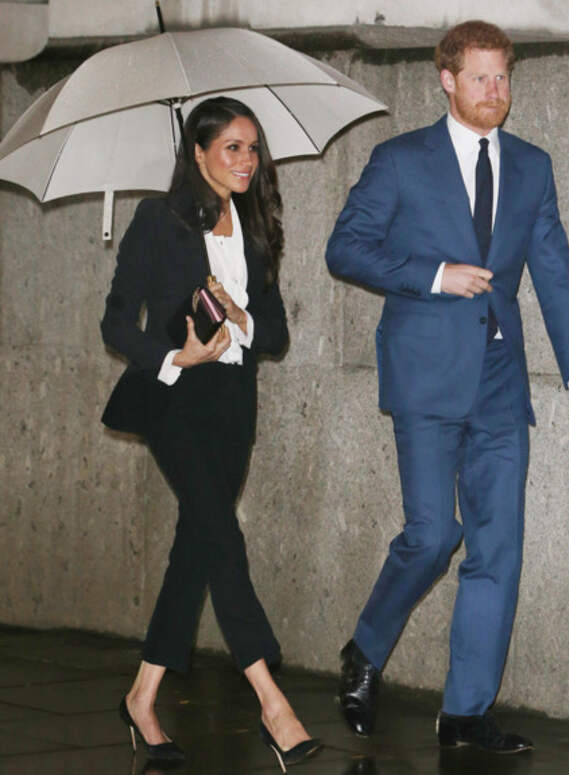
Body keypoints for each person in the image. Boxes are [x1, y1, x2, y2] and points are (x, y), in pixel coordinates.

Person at [326, 20, 569, 753]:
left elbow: (555, 273)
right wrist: (433, 275)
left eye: (503, 77)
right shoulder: (401, 160)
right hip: (424, 371)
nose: (495, 92)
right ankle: (365, 650)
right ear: (446, 80)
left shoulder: (533, 167)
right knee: (433, 533)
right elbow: (344, 246)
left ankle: (466, 712)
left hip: (501, 376)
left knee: (497, 546)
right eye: (480, 78)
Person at [101, 96, 322, 770]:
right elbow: (115, 324)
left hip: (233, 401)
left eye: (253, 148)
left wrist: (240, 316)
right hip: (176, 396)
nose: (247, 160)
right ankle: (271, 700)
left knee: (197, 545)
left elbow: (276, 335)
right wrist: (176, 356)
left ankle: (142, 697)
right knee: (223, 537)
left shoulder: (253, 228)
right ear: (196, 153)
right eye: (231, 146)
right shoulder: (157, 219)